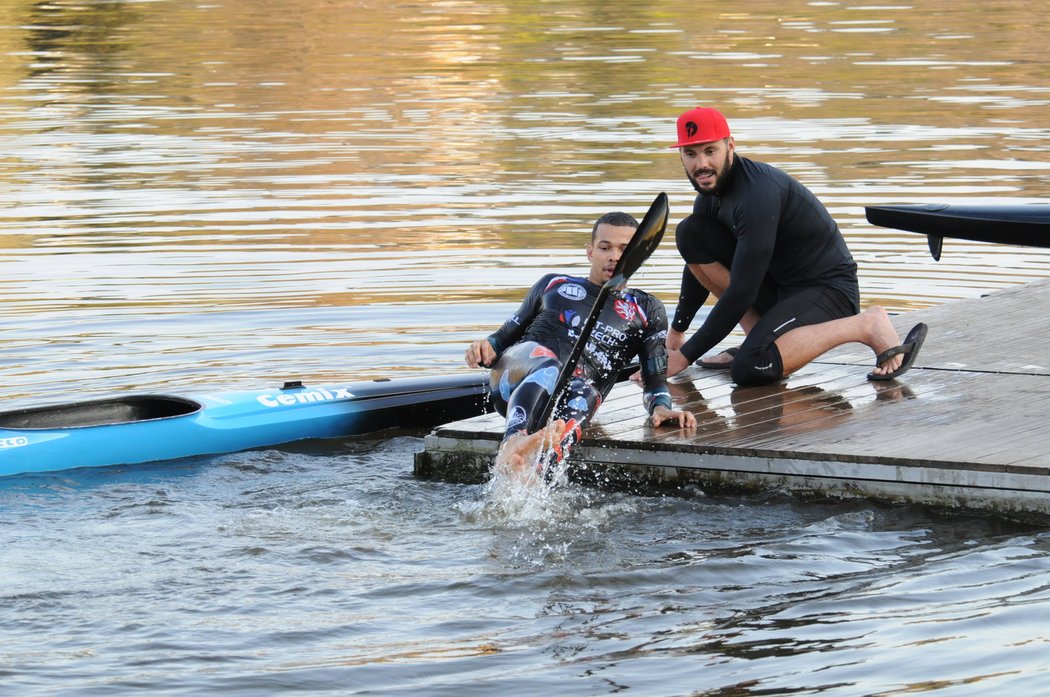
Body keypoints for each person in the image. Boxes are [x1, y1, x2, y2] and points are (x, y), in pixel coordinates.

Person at [664, 106, 927, 386]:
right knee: (691, 232)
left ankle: (867, 324)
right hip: (780, 291)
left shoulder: (756, 194)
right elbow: (697, 261)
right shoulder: (709, 195)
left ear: (730, 146)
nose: (700, 164)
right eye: (690, 154)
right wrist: (677, 332)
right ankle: (758, 338)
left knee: (752, 367)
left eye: (710, 151)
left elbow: (742, 291)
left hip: (827, 292)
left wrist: (685, 357)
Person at [465, 211, 696, 475]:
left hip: (568, 399)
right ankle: (513, 442)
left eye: (624, 249)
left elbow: (655, 380)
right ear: (590, 252)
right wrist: (483, 348)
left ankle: (537, 475)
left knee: (588, 393)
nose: (614, 257)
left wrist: (662, 409)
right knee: (550, 363)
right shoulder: (553, 284)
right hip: (513, 383)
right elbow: (500, 340)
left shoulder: (647, 310)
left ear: (637, 257)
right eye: (605, 247)